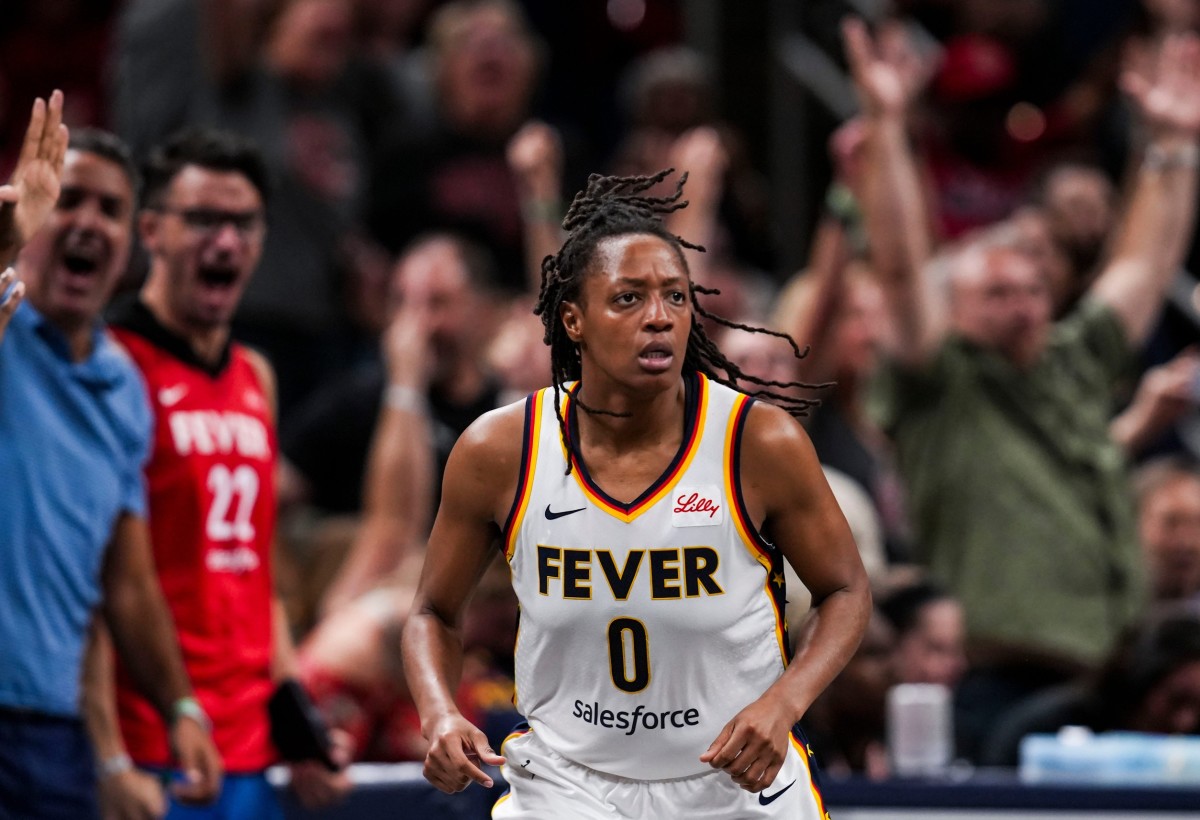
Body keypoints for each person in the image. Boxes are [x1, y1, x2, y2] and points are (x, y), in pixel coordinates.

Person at [402, 169, 872, 819]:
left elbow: (846, 591)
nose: (658, 318)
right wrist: (438, 713)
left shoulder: (757, 441)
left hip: (735, 781)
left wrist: (784, 704)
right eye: (628, 299)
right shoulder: (500, 449)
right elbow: (432, 611)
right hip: (570, 784)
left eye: (675, 298)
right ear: (573, 319)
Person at [846, 20, 1200, 755]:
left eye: (1036, 287)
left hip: (1108, 679)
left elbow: (1142, 269)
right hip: (995, 687)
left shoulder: (1070, 361)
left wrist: (1172, 143)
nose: (1024, 301)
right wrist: (887, 125)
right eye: (998, 291)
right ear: (956, 308)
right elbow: (903, 268)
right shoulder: (939, 383)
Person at [83, 128, 350, 819]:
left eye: (243, 224)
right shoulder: (109, 365)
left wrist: (294, 715)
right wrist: (108, 750)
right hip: (152, 738)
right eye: (203, 220)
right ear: (151, 230)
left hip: (249, 745)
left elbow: (256, 568)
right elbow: (89, 573)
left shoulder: (255, 376)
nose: (226, 243)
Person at [0, 96, 221, 816]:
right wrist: (3, 247)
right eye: (68, 201)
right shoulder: (5, 320)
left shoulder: (124, 388)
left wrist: (179, 705)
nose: (87, 223)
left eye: (110, 210)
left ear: (132, 242)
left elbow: (125, 583)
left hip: (50, 730)